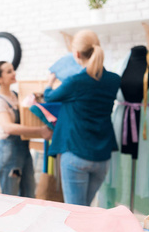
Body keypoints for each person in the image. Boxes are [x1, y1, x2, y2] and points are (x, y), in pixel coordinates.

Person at [43, 29, 121, 206]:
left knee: (76, 213)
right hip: (102, 158)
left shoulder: (75, 82)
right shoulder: (114, 80)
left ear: (77, 54)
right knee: (86, 211)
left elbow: (49, 97)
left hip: (76, 155)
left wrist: (49, 82)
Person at [0, 61, 53, 197]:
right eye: (9, 72)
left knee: (29, 194)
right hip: (9, 152)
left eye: (13, 70)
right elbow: (8, 127)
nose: (14, 73)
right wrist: (40, 131)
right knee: (10, 197)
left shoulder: (16, 95)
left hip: (24, 150)